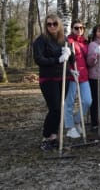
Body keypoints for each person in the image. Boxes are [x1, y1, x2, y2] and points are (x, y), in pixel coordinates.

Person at [33, 14, 72, 150]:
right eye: (49, 24)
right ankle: (45, 137)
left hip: (64, 78)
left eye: (55, 24)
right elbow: (39, 59)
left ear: (59, 24)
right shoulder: (41, 41)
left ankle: (54, 136)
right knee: (54, 108)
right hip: (48, 79)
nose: (52, 26)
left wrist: (70, 60)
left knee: (60, 109)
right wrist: (57, 60)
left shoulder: (64, 40)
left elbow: (70, 60)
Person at [64, 20, 92, 138]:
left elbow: (87, 59)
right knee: (69, 102)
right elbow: (65, 60)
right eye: (76, 28)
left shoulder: (85, 42)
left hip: (84, 75)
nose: (79, 30)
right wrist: (70, 71)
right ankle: (70, 127)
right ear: (72, 29)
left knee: (87, 101)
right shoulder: (67, 41)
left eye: (81, 28)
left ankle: (77, 120)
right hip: (72, 75)